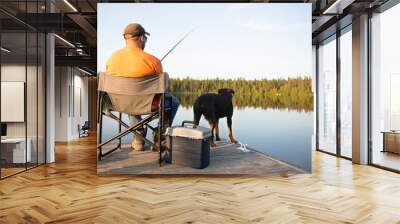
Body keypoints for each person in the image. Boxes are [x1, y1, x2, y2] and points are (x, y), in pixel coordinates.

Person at [106, 23, 179, 151]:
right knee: (173, 102)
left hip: (119, 104)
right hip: (148, 104)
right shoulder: (153, 61)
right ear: (141, 38)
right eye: (145, 38)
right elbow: (161, 90)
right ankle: (160, 137)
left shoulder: (111, 59)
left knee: (130, 99)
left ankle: (138, 139)